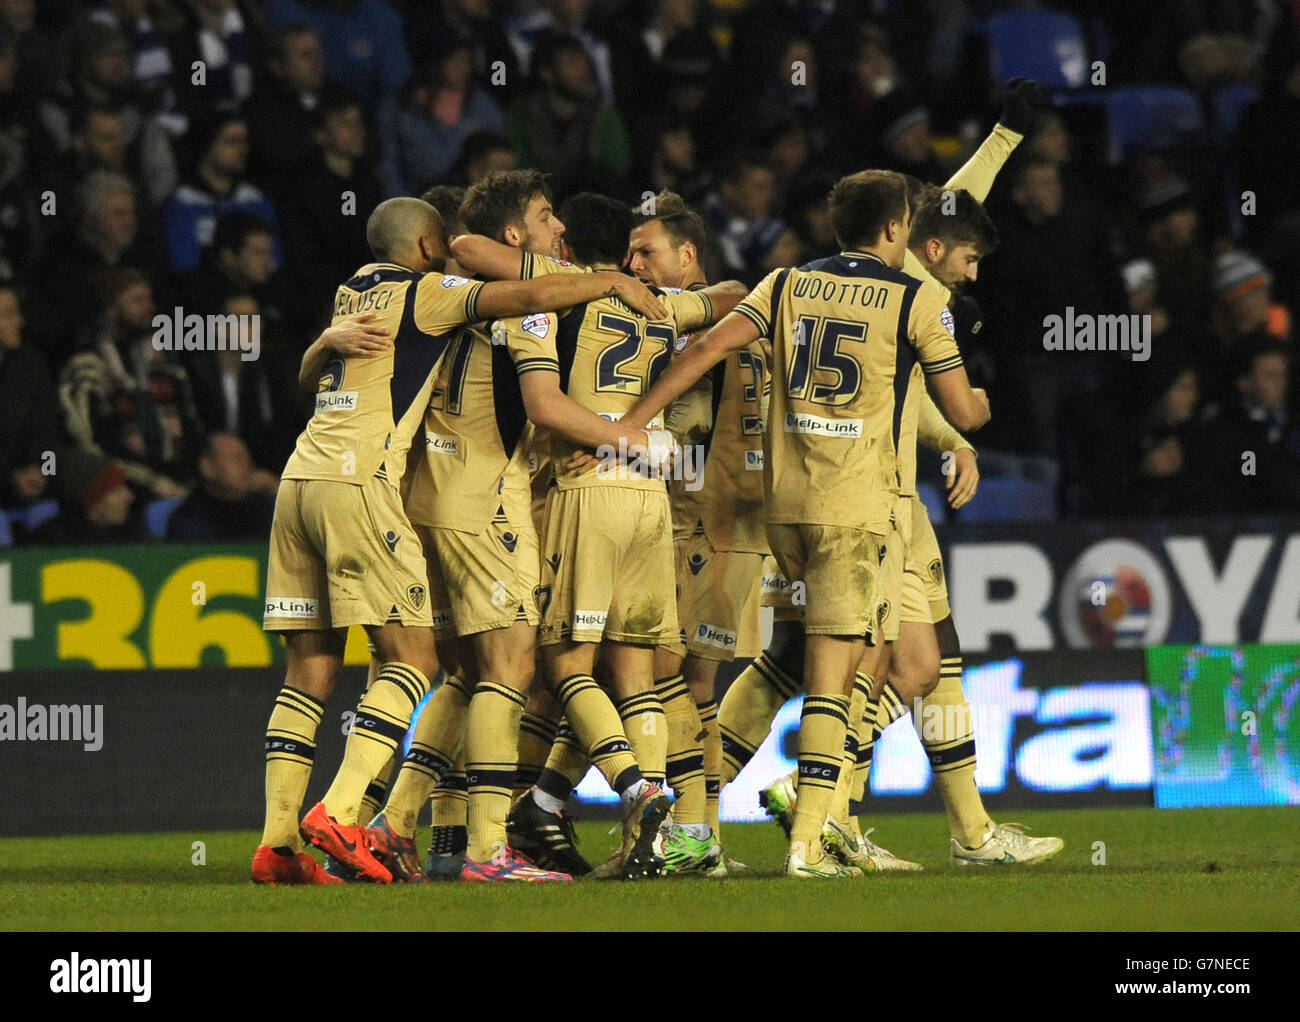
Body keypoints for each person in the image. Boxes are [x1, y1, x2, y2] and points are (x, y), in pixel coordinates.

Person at [251, 195, 675, 885]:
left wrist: (319, 343)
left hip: (330, 481)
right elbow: (538, 371)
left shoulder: (353, 288)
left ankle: (316, 837)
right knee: (480, 665)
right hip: (456, 498)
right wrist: (624, 427)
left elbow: (323, 375)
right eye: (545, 217)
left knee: (364, 671)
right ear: (435, 245)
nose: (558, 228)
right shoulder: (472, 297)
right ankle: (465, 843)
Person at [617, 169, 989, 878]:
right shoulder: (914, 299)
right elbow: (963, 413)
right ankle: (807, 844)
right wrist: (980, 403)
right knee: (837, 679)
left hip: (782, 515)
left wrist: (631, 421)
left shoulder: (783, 285)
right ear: (894, 230)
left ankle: (722, 830)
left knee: (813, 665)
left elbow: (702, 351)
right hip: (858, 514)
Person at [166, 432, 276, 541]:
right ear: (207, 467)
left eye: (248, 459)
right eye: (236, 459)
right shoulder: (189, 518)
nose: (247, 465)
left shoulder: (265, 511)